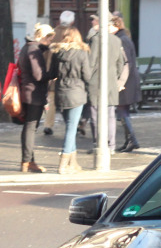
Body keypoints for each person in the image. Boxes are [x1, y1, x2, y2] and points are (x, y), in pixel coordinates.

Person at [51, 26, 94, 174]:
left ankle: (73, 163)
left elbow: (51, 73)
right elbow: (87, 75)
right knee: (71, 128)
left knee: (70, 126)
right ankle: (63, 164)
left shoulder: (57, 53)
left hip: (61, 93)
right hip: (76, 93)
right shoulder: (82, 54)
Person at [16, 23, 55, 173]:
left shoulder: (27, 47)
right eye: (49, 39)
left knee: (29, 127)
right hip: (34, 93)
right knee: (31, 128)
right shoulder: (34, 50)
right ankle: (27, 161)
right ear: (43, 37)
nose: (50, 42)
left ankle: (28, 160)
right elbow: (39, 75)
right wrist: (53, 73)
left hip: (27, 91)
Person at [88, 13, 125, 152]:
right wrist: (114, 77)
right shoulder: (116, 40)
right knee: (110, 115)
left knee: (96, 115)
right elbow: (121, 63)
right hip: (111, 82)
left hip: (96, 82)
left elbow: (90, 63)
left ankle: (99, 145)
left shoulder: (96, 39)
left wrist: (87, 79)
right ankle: (111, 146)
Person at [44, 10, 78, 137]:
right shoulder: (73, 35)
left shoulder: (53, 33)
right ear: (72, 22)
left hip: (52, 72)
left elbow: (47, 53)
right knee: (70, 100)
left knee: (52, 100)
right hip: (68, 74)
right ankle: (73, 124)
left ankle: (48, 125)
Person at [112, 13, 142, 153]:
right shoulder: (124, 37)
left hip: (126, 82)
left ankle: (132, 140)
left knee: (123, 111)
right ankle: (129, 140)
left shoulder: (121, 39)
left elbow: (126, 62)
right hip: (129, 80)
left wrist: (121, 81)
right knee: (123, 111)